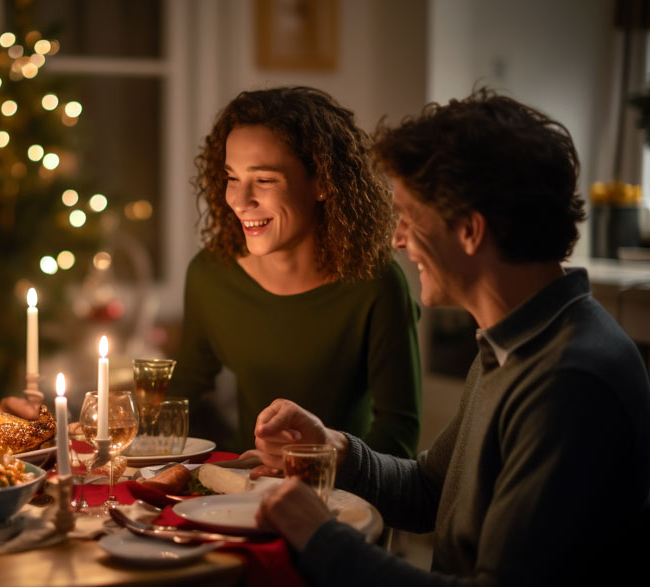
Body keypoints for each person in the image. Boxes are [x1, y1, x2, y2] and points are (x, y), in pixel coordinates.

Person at [251, 89, 650, 585]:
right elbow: (431, 490)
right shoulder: (511, 342)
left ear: (469, 230)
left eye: (409, 216)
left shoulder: (569, 382)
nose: (397, 238)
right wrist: (334, 449)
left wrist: (320, 538)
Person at [167, 86, 422, 456]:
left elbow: (399, 434)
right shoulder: (210, 276)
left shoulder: (376, 283)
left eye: (265, 180)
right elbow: (180, 397)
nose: (239, 199)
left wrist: (327, 471)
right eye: (232, 177)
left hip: (344, 497)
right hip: (244, 492)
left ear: (322, 183)